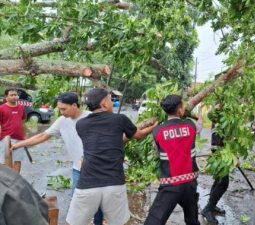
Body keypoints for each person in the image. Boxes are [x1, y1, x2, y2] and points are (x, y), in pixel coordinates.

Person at [10, 92, 104, 225]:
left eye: (63, 109)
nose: (61, 112)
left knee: (98, 202)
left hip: (97, 169)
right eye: (59, 108)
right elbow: (42, 136)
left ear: (74, 105)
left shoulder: (93, 118)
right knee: (76, 203)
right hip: (78, 170)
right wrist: (17, 145)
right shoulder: (62, 121)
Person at [66, 88, 157, 225]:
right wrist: (154, 126)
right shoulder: (120, 120)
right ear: (104, 104)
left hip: (87, 184)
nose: (112, 102)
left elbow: (99, 139)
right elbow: (139, 135)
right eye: (110, 99)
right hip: (114, 184)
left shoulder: (81, 124)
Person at [144, 95, 201, 225]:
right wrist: (196, 116)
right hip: (190, 183)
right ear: (180, 110)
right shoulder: (190, 125)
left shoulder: (157, 131)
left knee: (154, 220)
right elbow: (200, 124)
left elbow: (158, 154)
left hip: (170, 184)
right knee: (192, 219)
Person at [201, 107, 228, 224]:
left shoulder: (222, 122)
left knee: (218, 181)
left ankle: (211, 205)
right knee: (223, 183)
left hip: (221, 152)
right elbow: (211, 113)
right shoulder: (218, 122)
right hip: (219, 153)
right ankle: (208, 209)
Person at [0, 88, 27, 165]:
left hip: (19, 138)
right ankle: (8, 177)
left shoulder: (21, 107)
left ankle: (16, 177)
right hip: (5, 138)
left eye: (15, 95)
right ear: (6, 97)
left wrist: (24, 136)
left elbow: (22, 123)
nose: (14, 97)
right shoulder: (1, 108)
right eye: (11, 95)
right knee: (5, 161)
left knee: (17, 160)